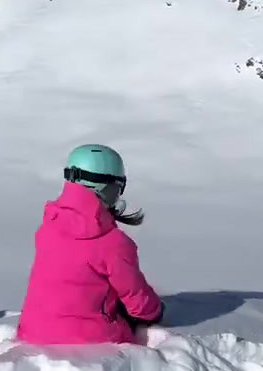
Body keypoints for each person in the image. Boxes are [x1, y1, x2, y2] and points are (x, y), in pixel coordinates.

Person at [17, 144, 164, 346]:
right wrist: (156, 311)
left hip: (31, 336)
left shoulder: (49, 227)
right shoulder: (113, 243)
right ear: (107, 187)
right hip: (92, 344)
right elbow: (138, 303)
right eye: (118, 186)